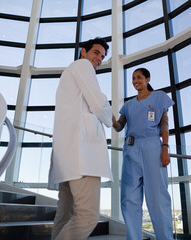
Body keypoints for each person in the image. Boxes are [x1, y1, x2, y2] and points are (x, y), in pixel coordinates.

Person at [48, 37, 113, 240]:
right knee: (88, 216)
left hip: (66, 156)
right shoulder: (83, 65)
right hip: (82, 155)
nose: (99, 59)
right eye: (96, 53)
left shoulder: (69, 73)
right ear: (83, 52)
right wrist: (112, 120)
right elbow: (98, 102)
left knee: (65, 214)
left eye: (102, 56)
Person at [112, 68, 174, 240]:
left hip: (152, 147)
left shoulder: (159, 97)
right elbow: (119, 127)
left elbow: (164, 125)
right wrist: (111, 120)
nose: (135, 81)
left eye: (139, 77)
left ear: (148, 79)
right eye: (133, 78)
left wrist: (165, 149)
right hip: (131, 149)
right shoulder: (128, 105)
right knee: (129, 199)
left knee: (157, 198)